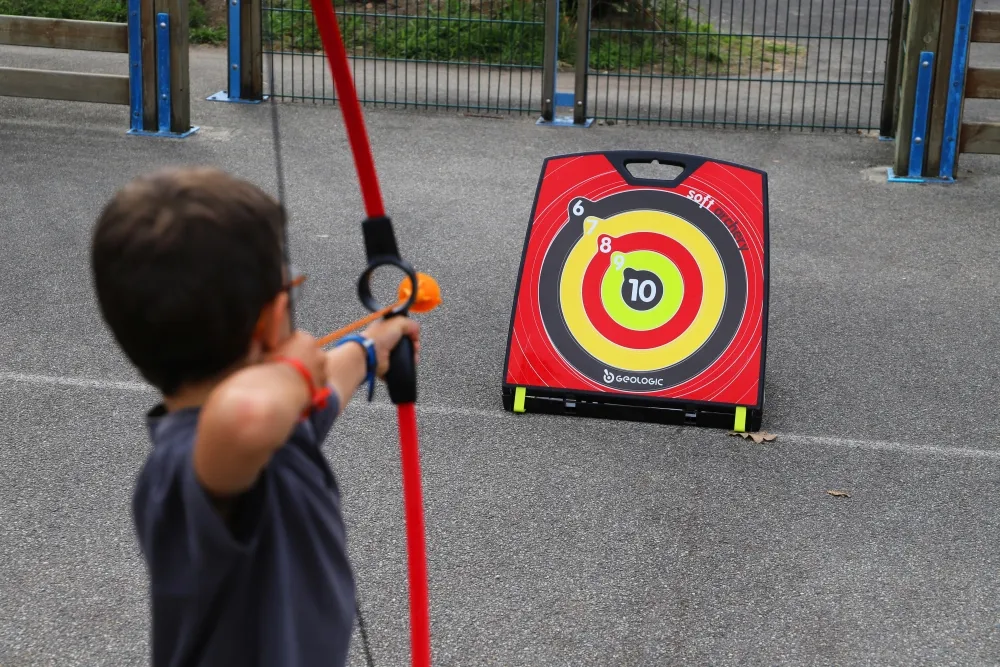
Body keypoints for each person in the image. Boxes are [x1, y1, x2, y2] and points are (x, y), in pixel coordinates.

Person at [90, 166, 420, 666]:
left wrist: (371, 346)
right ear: (270, 319)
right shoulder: (191, 463)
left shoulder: (275, 423)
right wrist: (293, 367)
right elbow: (247, 414)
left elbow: (315, 393)